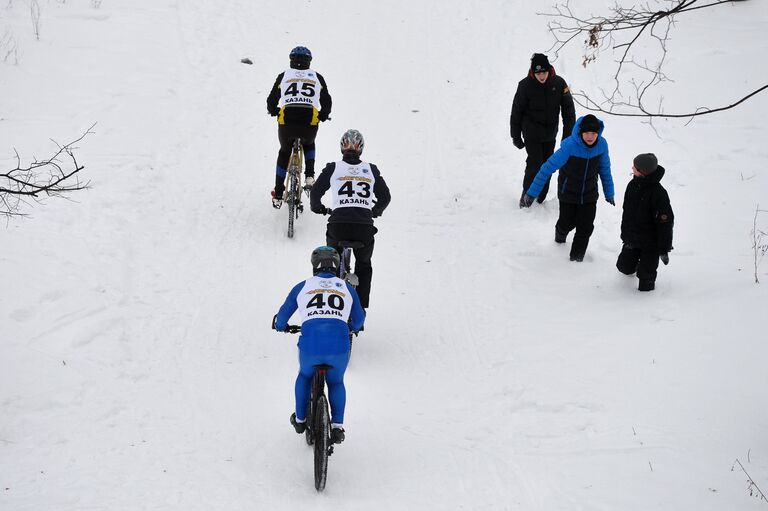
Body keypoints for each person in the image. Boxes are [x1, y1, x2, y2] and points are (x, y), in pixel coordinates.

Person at [273, 246, 365, 444]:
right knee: (336, 382)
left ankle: (300, 419)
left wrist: (280, 326)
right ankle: (337, 426)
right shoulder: (346, 288)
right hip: (339, 346)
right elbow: (359, 320)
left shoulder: (302, 286)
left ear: (314, 265)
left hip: (311, 345)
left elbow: (282, 317)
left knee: (305, 376)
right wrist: (351, 326)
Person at [310, 129, 391, 309]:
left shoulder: (333, 167)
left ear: (341, 147)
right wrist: (375, 211)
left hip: (338, 224)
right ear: (361, 149)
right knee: (364, 264)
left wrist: (318, 208)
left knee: (329, 265)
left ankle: (328, 303)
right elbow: (385, 197)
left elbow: (315, 192)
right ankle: (360, 309)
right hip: (364, 226)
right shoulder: (371, 169)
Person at [520, 114, 615, 262]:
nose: (590, 137)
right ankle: (560, 233)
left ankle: (576, 259)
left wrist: (609, 192)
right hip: (568, 192)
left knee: (586, 227)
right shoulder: (569, 146)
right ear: (581, 132)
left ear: (598, 133)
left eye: (594, 133)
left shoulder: (602, 145)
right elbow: (547, 168)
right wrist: (531, 193)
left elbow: (605, 169)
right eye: (587, 133)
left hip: (589, 193)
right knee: (567, 223)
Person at [266, 46, 332, 209]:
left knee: (284, 151)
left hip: (287, 121)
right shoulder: (317, 77)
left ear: (291, 61)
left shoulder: (284, 76)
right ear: (309, 62)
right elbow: (327, 101)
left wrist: (273, 110)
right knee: (309, 143)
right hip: (309, 121)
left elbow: (271, 100)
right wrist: (323, 115)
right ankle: (309, 176)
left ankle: (279, 194)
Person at [510, 53, 576, 205]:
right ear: (533, 72)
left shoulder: (559, 84)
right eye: (538, 73)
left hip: (550, 134)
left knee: (548, 165)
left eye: (544, 72)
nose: (541, 76)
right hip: (531, 133)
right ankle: (526, 198)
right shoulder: (525, 85)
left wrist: (567, 138)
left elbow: (569, 112)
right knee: (535, 164)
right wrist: (515, 135)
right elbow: (516, 111)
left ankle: (540, 197)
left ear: (549, 70)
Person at [615, 153, 674, 291]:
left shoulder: (659, 194)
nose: (632, 168)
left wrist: (664, 248)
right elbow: (627, 212)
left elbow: (665, 223)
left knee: (646, 277)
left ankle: (646, 304)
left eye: (635, 167)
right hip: (633, 238)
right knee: (624, 267)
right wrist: (626, 234)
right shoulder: (632, 185)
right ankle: (635, 264)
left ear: (643, 172)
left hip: (650, 243)